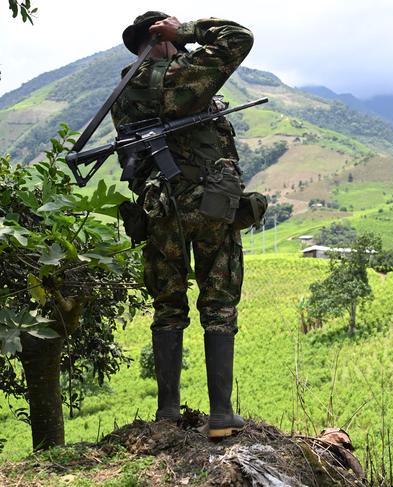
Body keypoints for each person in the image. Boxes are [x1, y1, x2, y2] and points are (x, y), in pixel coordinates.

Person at [111, 11, 254, 438]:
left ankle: (168, 412)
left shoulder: (124, 90)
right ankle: (221, 415)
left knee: (168, 306)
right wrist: (187, 29)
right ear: (162, 37)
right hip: (209, 205)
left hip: (159, 210)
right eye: (175, 36)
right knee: (219, 302)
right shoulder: (182, 74)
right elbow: (239, 38)